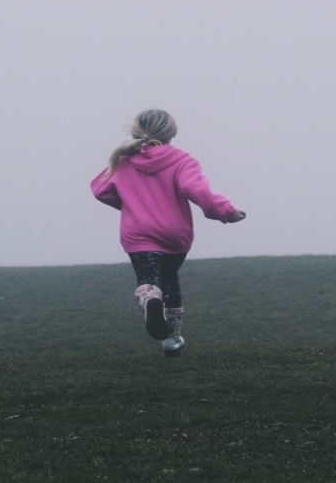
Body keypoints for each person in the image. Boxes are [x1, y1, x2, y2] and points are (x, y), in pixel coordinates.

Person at [90, 109, 245, 357]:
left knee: (149, 280)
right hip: (175, 235)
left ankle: (151, 300)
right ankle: (172, 339)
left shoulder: (122, 160)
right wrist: (226, 212)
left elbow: (100, 189)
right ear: (172, 133)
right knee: (170, 279)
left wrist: (129, 204)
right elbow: (196, 189)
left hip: (138, 234)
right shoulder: (182, 160)